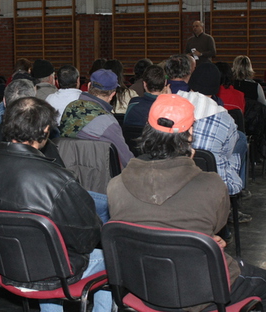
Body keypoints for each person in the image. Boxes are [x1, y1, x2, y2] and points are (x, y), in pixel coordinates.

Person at [107, 93, 266, 311]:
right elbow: (216, 224)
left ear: (147, 129)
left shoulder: (115, 186)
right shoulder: (211, 185)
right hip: (205, 292)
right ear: (190, 134)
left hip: (143, 286)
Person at [0, 97, 112, 312]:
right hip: (51, 273)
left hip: (2, 264)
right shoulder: (58, 180)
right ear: (46, 130)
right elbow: (87, 239)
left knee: (46, 253)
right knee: (112, 258)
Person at [178, 63, 246, 199]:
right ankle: (238, 195)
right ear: (216, 88)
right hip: (214, 182)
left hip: (176, 175)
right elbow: (227, 153)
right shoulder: (225, 119)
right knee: (241, 138)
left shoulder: (173, 105)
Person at [60, 69, 134, 168]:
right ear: (112, 94)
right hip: (99, 177)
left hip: (68, 171)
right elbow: (127, 160)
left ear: (89, 85)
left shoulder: (70, 107)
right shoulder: (108, 123)